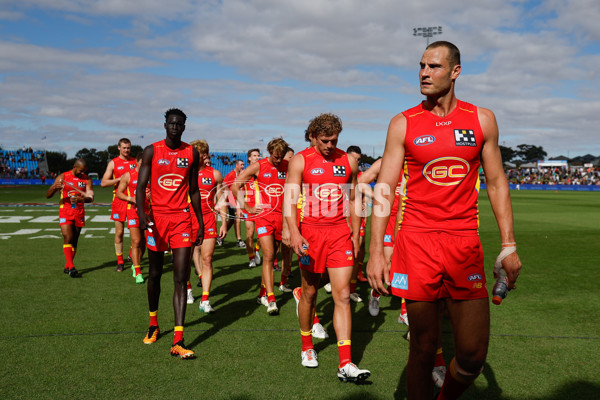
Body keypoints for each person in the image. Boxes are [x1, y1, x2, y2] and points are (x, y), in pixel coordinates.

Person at [367, 41, 522, 399]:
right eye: (421, 65)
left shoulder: (481, 119)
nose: (424, 72)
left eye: (434, 66)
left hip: (464, 243)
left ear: (455, 72)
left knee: (471, 356)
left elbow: (497, 182)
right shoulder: (403, 123)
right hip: (416, 244)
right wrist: (377, 250)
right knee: (422, 348)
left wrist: (509, 244)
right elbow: (385, 189)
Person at [283, 113, 370, 382]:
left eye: (334, 140)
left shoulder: (347, 161)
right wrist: (295, 232)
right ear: (312, 136)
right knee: (309, 292)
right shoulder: (300, 160)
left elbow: (355, 197)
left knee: (342, 296)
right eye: (325, 140)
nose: (331, 145)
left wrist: (355, 234)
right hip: (310, 234)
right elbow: (289, 201)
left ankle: (346, 362)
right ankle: (307, 347)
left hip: (339, 234)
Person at [136, 108, 204, 359]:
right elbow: (141, 186)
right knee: (154, 274)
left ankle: (178, 338)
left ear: (184, 127)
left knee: (180, 277)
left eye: (179, 124)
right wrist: (143, 216)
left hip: (181, 221)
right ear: (165, 125)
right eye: (171, 124)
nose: (175, 128)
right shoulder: (152, 151)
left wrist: (200, 222)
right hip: (157, 220)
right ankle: (154, 324)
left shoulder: (191, 153)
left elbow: (194, 190)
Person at [231, 138, 291, 315]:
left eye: (281, 157)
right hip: (264, 217)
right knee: (269, 255)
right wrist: (248, 208)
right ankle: (271, 299)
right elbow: (235, 186)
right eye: (275, 156)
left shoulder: (288, 165)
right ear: (269, 152)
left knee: (279, 253)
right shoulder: (259, 166)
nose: (278, 160)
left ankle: (262, 293)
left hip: (283, 217)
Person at [188, 140, 228, 312]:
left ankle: (205, 299)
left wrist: (224, 223)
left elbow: (221, 200)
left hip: (208, 219)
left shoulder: (215, 174)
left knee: (207, 259)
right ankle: (188, 289)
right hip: (186, 219)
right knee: (183, 261)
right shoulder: (184, 173)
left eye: (199, 153)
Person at [46, 158, 94, 278]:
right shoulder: (63, 177)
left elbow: (91, 197)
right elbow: (48, 195)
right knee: (68, 237)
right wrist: (53, 187)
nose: (82, 173)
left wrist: (82, 199)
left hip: (79, 212)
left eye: (84, 171)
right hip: (65, 211)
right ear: (75, 166)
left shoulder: (87, 179)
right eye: (80, 171)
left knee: (75, 240)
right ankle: (72, 267)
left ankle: (68, 265)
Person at [101, 138, 137, 272]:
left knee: (136, 233)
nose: (127, 150)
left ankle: (132, 255)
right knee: (120, 232)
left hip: (133, 200)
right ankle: (120, 262)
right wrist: (119, 179)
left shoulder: (135, 162)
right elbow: (104, 183)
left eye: (128, 148)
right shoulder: (113, 163)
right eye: (124, 148)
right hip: (119, 201)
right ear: (119, 148)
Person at [115, 152, 146, 284]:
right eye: (142, 162)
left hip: (148, 212)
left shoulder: (151, 174)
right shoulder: (128, 175)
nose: (145, 165)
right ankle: (137, 271)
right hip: (133, 212)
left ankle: (135, 262)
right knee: (136, 241)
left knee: (145, 243)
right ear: (137, 162)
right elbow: (118, 193)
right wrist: (130, 198)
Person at [345, 145, 367, 302]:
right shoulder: (340, 174)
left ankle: (351, 286)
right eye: (354, 159)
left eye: (359, 160)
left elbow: (363, 194)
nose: (357, 162)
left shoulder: (362, 175)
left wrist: (365, 202)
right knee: (347, 254)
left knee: (358, 250)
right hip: (341, 218)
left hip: (359, 217)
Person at [241, 148, 262, 268]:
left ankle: (257, 250)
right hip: (248, 207)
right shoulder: (245, 173)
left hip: (260, 207)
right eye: (254, 155)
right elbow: (237, 189)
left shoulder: (262, 171)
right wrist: (240, 207)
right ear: (249, 158)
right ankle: (251, 258)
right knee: (249, 233)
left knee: (261, 235)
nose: (257, 157)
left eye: (258, 155)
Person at [223, 159, 247, 248]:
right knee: (237, 218)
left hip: (240, 200)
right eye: (241, 165)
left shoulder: (243, 175)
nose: (243, 166)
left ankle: (221, 237)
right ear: (236, 165)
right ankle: (239, 240)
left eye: (243, 164)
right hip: (232, 200)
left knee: (232, 220)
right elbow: (225, 187)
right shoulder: (230, 175)